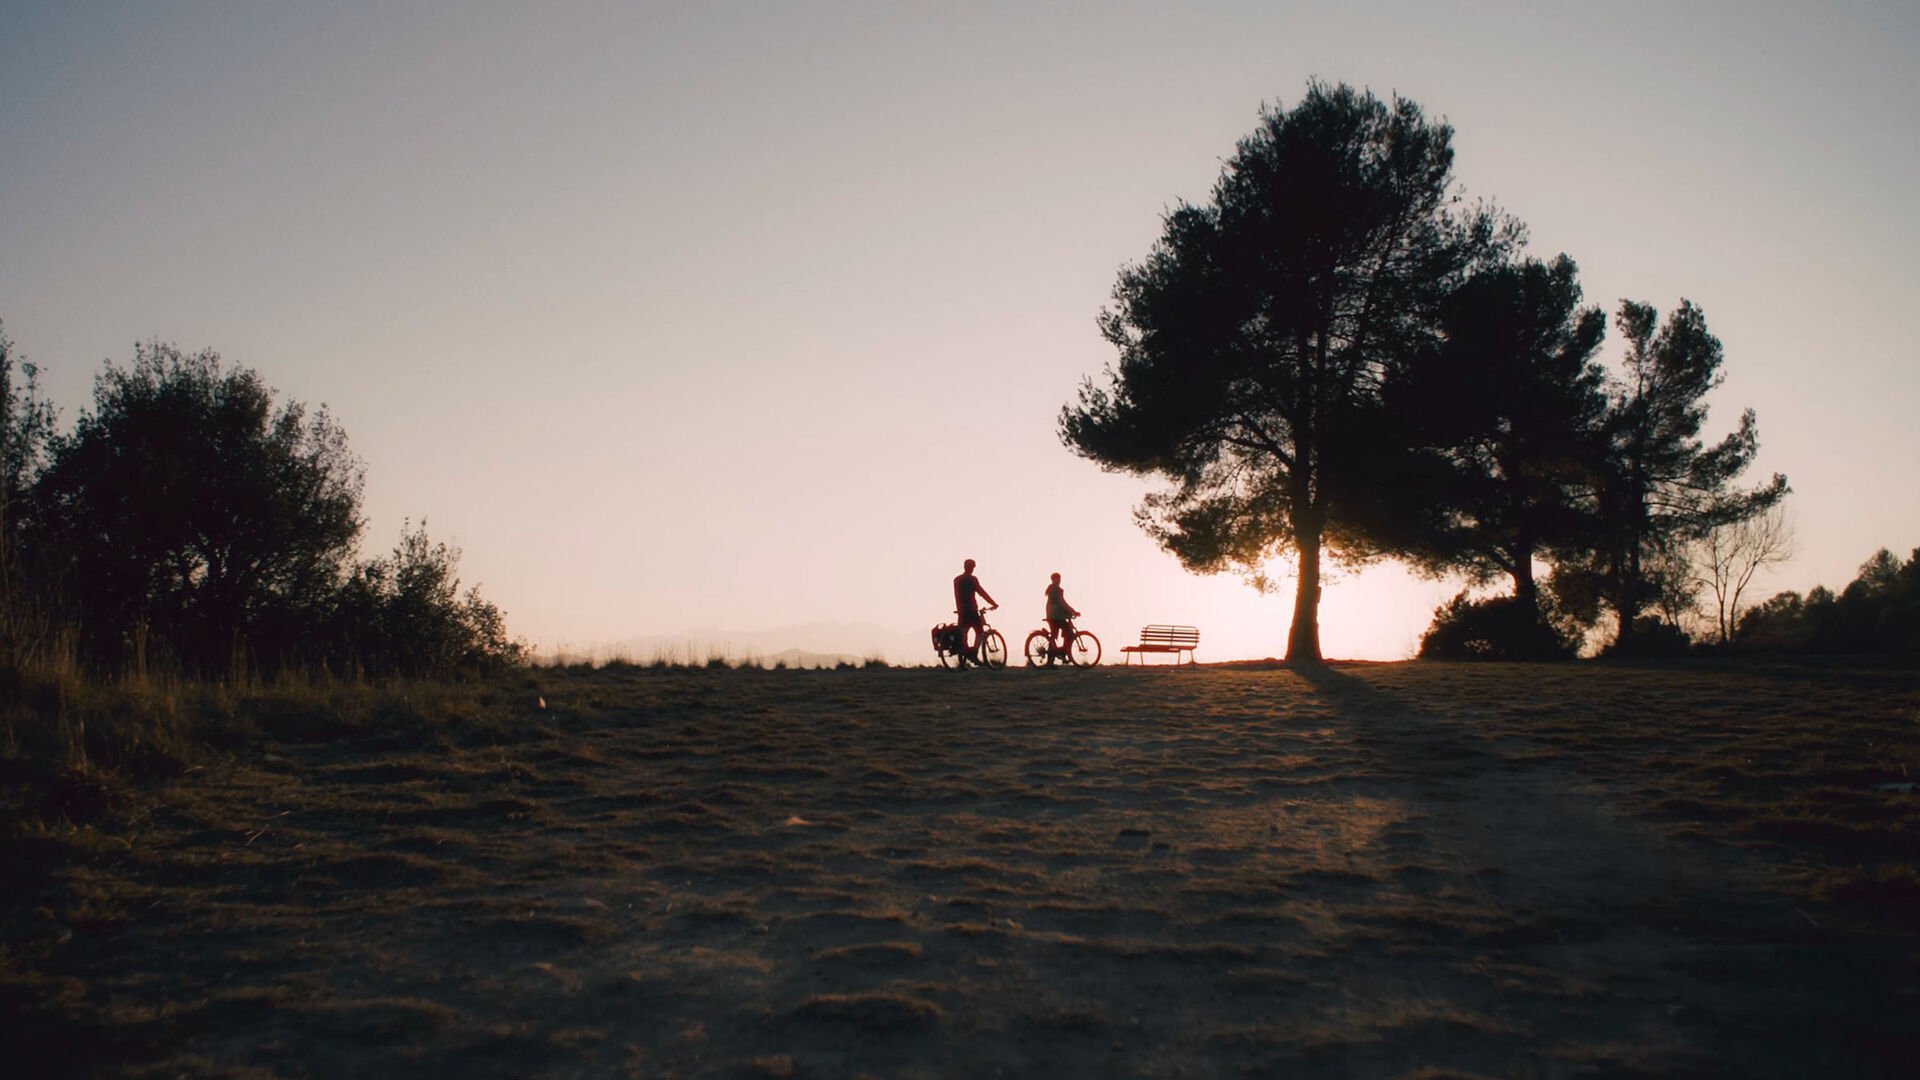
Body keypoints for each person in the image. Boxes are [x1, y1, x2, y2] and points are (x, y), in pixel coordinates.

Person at [953, 558, 997, 665]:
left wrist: (959, 608)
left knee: (963, 633)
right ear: (972, 568)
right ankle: (974, 654)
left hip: (961, 610)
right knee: (980, 632)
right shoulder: (972, 579)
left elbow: (956, 596)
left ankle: (964, 658)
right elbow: (981, 592)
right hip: (971, 610)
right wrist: (993, 603)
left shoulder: (957, 580)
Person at [1044, 572, 1080, 657]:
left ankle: (1060, 653)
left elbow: (1060, 603)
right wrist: (1072, 611)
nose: (1059, 580)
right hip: (1055, 616)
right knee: (1066, 632)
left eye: (1059, 579)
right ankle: (1061, 653)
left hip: (1055, 615)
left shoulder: (1052, 589)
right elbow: (1061, 603)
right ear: (1054, 580)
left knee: (1056, 635)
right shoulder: (1055, 589)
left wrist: (1070, 611)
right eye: (1057, 579)